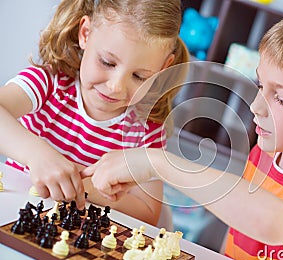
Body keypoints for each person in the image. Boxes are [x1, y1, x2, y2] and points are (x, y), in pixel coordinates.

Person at [82, 9, 283, 260]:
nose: (256, 107)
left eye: (281, 99)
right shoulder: (267, 154)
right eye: (260, 86)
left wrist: (159, 162)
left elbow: (273, 223)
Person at [0, 0, 189, 226]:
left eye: (139, 76)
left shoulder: (145, 131)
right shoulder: (48, 84)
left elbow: (148, 212)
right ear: (85, 33)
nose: (116, 86)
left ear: (163, 68)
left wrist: (88, 189)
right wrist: (37, 155)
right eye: (107, 62)